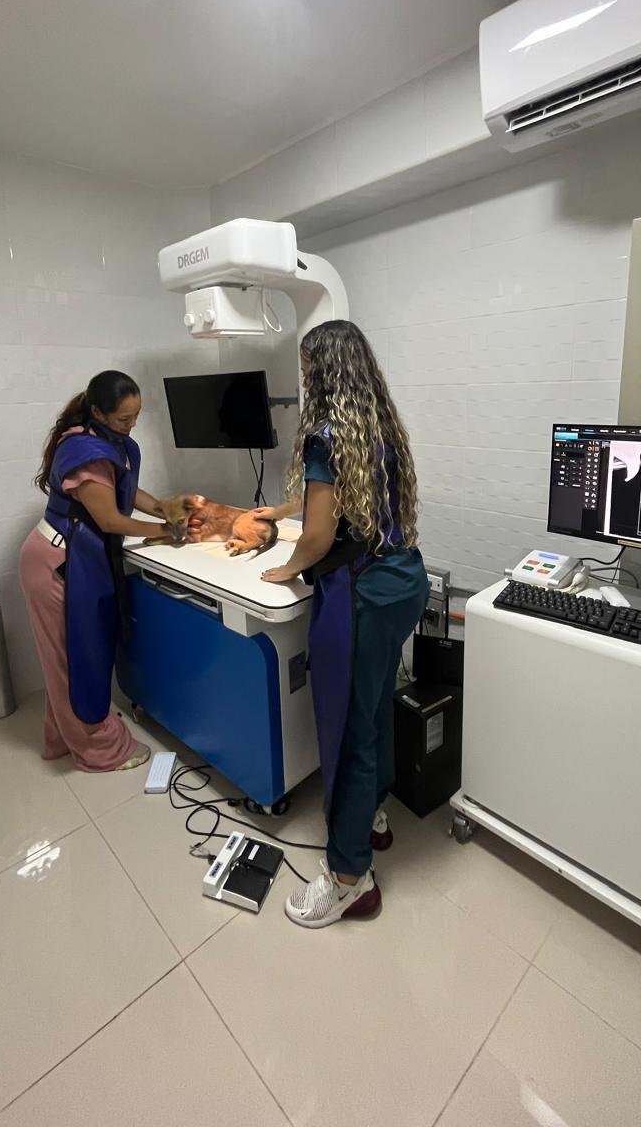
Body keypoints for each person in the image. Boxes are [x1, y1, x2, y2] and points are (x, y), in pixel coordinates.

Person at [257, 321, 429, 927]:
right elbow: (347, 502)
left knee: (349, 729)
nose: (304, 381)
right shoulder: (378, 427)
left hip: (362, 596)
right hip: (403, 580)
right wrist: (288, 511)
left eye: (308, 370)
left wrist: (287, 567)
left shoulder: (326, 437)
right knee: (375, 706)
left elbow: (319, 536)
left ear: (323, 372)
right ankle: (373, 815)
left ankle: (350, 877)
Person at [19, 371, 198, 772]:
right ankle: (99, 750)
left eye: (136, 417)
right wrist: (165, 532)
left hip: (65, 556)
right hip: (56, 564)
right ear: (98, 412)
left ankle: (62, 739)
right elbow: (110, 519)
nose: (131, 425)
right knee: (75, 660)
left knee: (64, 661)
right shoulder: (86, 451)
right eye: (123, 419)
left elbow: (122, 490)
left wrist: (164, 508)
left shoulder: (101, 439)